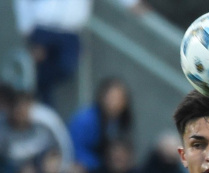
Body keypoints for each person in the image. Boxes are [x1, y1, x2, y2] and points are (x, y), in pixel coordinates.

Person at [14, 1, 148, 105]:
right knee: (37, 70)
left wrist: (132, 3)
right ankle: (39, 104)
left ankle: (36, 100)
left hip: (70, 31)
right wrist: (27, 31)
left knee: (65, 66)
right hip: (43, 27)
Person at [68, 77, 133, 173]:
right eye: (111, 98)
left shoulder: (119, 122)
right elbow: (73, 148)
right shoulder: (85, 119)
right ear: (102, 97)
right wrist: (100, 166)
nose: (114, 104)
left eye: (119, 99)